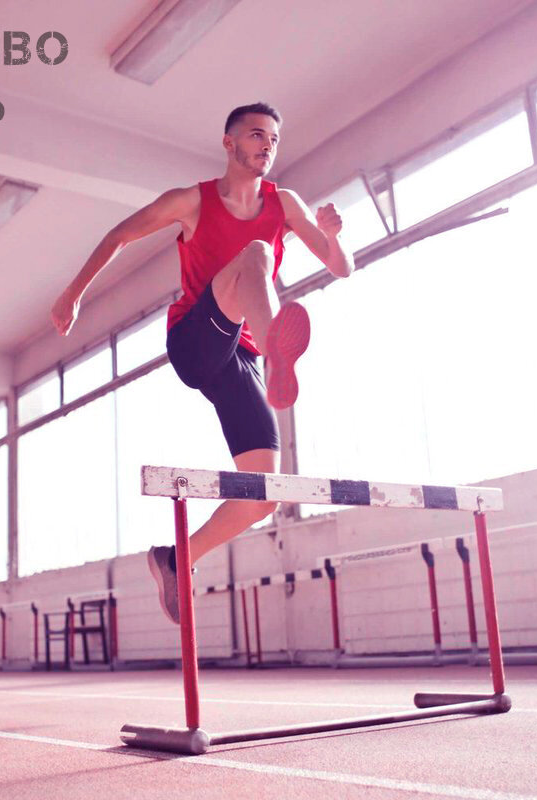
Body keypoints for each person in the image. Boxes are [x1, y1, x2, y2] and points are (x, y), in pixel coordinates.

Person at [51, 102, 354, 623]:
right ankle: (277, 349)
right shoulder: (192, 201)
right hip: (196, 339)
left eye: (274, 139)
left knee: (262, 495)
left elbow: (340, 266)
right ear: (229, 143)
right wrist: (73, 293)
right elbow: (118, 235)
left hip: (241, 360)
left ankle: (177, 559)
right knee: (257, 254)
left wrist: (333, 233)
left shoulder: (285, 202)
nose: (267, 145)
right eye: (256, 135)